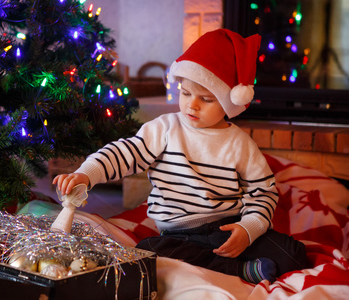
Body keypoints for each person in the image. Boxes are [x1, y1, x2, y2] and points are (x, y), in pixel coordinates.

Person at [53, 29, 308, 284]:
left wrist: (248, 229)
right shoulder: (165, 128)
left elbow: (263, 192)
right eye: (185, 93)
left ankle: (232, 262)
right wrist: (86, 174)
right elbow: (124, 153)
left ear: (229, 103)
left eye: (206, 99)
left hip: (228, 228)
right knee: (149, 251)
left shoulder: (240, 144)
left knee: (294, 256)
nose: (191, 105)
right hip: (178, 234)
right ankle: (239, 271)